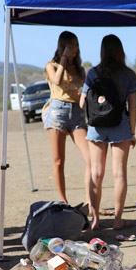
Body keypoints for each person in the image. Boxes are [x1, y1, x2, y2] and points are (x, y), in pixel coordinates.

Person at [79, 35, 136, 230]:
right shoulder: (128, 74)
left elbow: (82, 103)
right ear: (120, 51)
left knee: (96, 172)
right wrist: (132, 132)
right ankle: (118, 220)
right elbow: (133, 106)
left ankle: (95, 220)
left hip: (96, 126)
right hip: (120, 125)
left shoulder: (93, 73)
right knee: (119, 173)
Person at [42, 32, 92, 214]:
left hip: (77, 114)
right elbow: (56, 81)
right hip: (58, 111)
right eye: (70, 44)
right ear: (62, 45)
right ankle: (63, 201)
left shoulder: (80, 69)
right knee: (58, 161)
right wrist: (63, 57)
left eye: (76, 44)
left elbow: (84, 91)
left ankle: (91, 202)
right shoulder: (51, 65)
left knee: (91, 159)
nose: (75, 48)